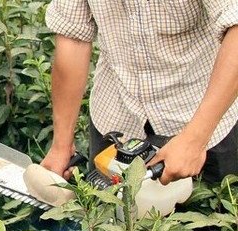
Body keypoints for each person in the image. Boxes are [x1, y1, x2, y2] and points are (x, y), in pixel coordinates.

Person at [40, 1, 238, 186]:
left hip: (204, 120)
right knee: (109, 210)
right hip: (116, 118)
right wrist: (61, 146)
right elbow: (74, 36)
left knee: (214, 208)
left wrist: (195, 139)